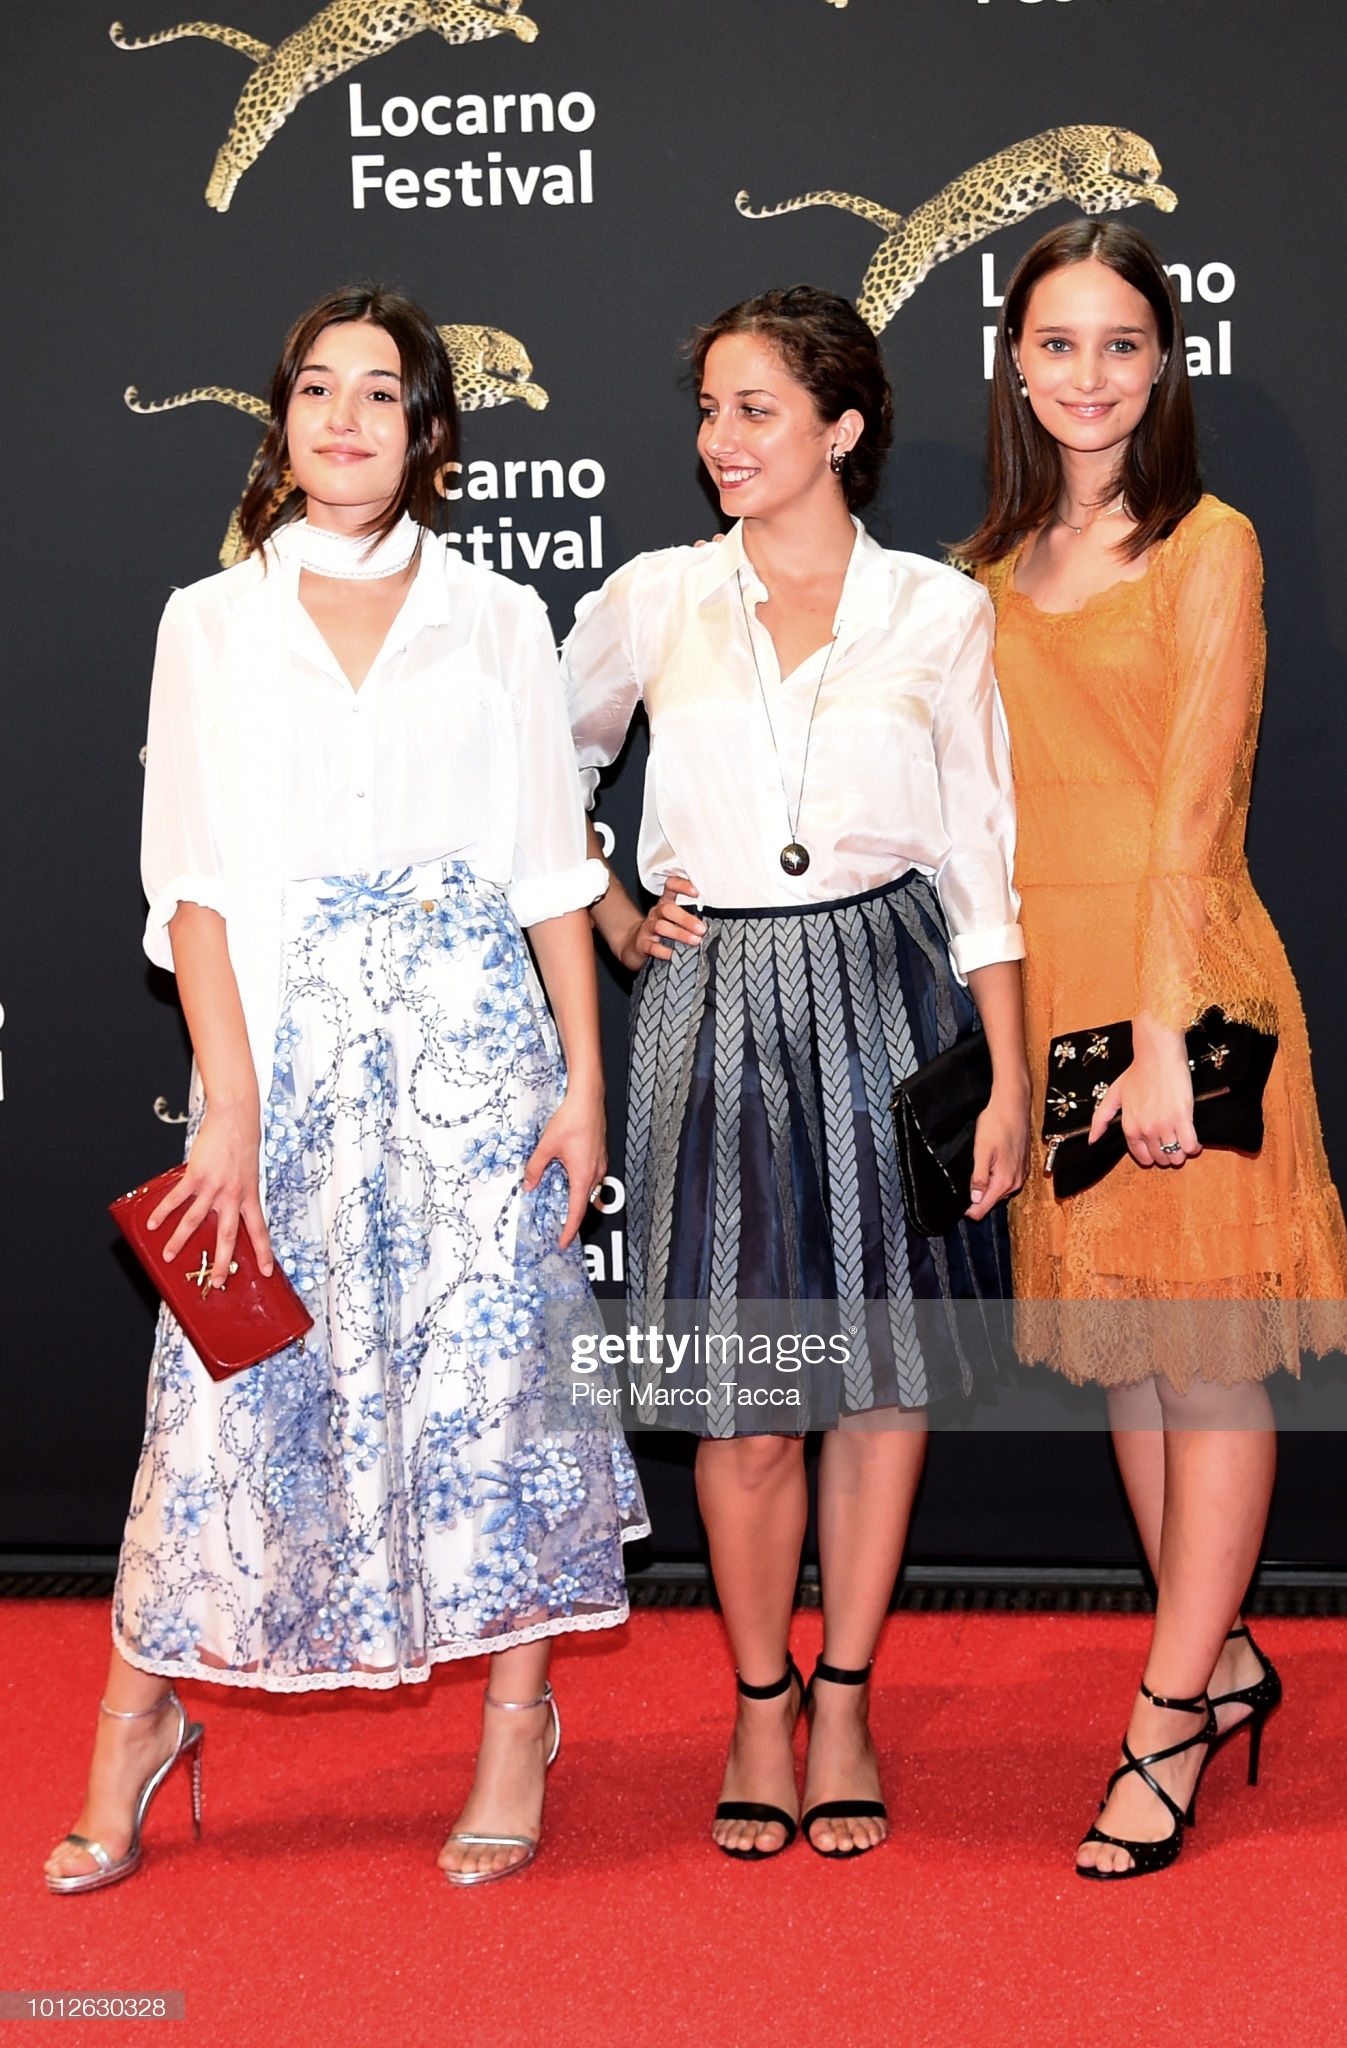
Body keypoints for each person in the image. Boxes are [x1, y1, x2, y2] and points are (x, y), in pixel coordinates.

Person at [45, 285, 646, 1896]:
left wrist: (583, 1082)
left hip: (474, 1056)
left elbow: (546, 870)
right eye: (319, 388)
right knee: (227, 1395)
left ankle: (515, 1730)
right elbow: (189, 885)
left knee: (496, 1395)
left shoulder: (497, 617)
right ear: (282, 420)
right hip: (281, 1055)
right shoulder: (207, 620)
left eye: (381, 392)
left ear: (426, 432)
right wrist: (229, 1103)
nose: (346, 417)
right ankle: (136, 1727)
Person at [561, 285, 1029, 1860]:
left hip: (893, 993)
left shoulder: (936, 610)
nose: (719, 439)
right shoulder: (654, 598)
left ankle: (844, 1701)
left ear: (841, 427)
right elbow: (535, 770)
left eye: (754, 409)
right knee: (749, 1407)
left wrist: (1009, 1075)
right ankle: (759, 1703)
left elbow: (980, 858)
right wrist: (615, 913)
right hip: (715, 1007)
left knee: (880, 1385)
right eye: (708, 410)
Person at [961, 221, 1347, 1878]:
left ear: (1164, 366)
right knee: (1125, 1351)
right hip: (1058, 991)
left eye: (1120, 344)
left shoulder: (1210, 546)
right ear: (1015, 364)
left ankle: (1168, 1713)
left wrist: (1163, 1045)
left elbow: (1195, 813)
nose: (1088, 375)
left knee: (1204, 1358)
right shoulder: (982, 573)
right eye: (1057, 344)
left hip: (1186, 991)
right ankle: (1219, 1659)